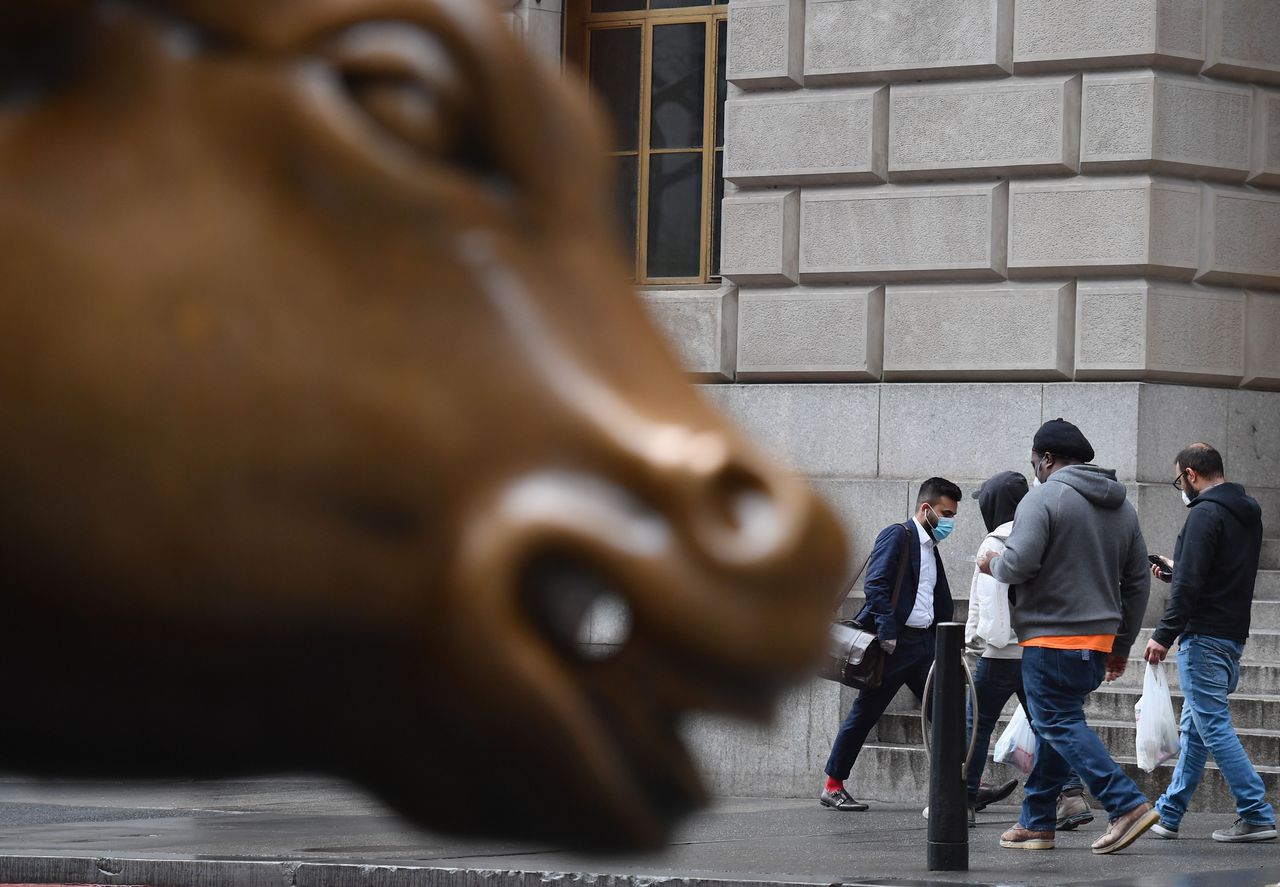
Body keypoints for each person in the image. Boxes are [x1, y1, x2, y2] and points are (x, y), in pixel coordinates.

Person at [977, 419, 1153, 855]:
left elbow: (1018, 565)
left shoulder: (1043, 499)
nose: (1035, 468)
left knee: (1055, 722)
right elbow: (1137, 583)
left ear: (1048, 460)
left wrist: (992, 562)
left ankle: (1125, 803)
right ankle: (1037, 822)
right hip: (1096, 641)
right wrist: (1121, 644)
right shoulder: (1123, 508)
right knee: (1058, 726)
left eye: (1035, 461)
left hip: (1050, 638)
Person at [1144, 443, 1276, 843]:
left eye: (1179, 479)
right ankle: (1168, 813)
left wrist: (1163, 634)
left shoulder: (1203, 514)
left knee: (1212, 726)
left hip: (1204, 636)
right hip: (1231, 634)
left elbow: (1194, 584)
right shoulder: (1247, 513)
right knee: (1196, 729)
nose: (1181, 487)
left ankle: (1256, 811)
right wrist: (1177, 570)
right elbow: (1220, 573)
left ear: (1191, 474)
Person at [820, 477, 962, 812]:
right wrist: (886, 632)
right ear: (925, 509)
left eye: (954, 515)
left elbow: (931, 598)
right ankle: (832, 784)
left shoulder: (930, 547)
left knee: (945, 710)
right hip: (895, 645)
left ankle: (961, 780)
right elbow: (876, 584)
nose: (950, 522)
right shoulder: (898, 535)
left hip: (925, 644)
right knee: (866, 711)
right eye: (946, 513)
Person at [962, 471, 1029, 824]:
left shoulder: (994, 541)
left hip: (999, 653)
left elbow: (983, 607)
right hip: (1036, 650)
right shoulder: (1038, 534)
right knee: (1049, 725)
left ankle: (965, 800)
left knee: (977, 725)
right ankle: (1071, 796)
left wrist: (972, 646)